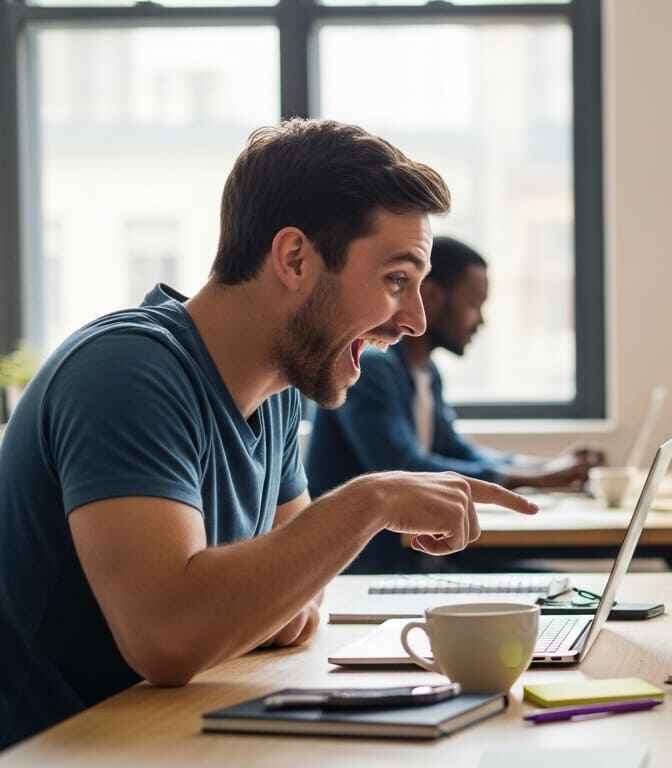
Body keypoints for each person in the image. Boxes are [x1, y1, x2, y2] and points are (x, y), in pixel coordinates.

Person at [0, 119, 539, 749]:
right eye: (397, 280)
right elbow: (169, 640)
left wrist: (241, 602)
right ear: (294, 259)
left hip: (165, 740)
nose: (415, 320)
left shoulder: (280, 392)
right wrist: (372, 500)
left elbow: (297, 609)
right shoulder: (127, 372)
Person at [305, 236, 604, 572]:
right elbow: (404, 465)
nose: (481, 320)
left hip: (419, 554)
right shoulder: (372, 371)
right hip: (372, 566)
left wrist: (541, 467)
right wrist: (524, 478)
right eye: (474, 303)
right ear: (432, 297)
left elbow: (457, 449)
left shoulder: (425, 372)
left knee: (554, 587)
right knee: (549, 590)